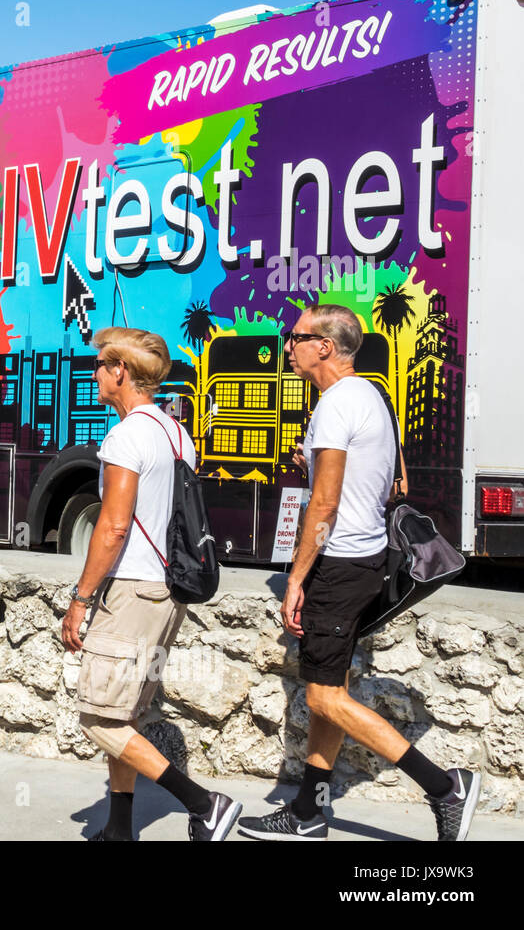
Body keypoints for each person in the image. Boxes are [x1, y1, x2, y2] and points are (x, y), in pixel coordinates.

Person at [238, 304, 479, 841]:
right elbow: (395, 486)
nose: (287, 347)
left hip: (339, 564)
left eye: (294, 337)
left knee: (324, 697)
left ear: (324, 345)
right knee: (332, 687)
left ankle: (445, 787)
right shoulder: (371, 396)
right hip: (365, 558)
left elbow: (323, 507)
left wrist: (296, 577)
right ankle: (306, 812)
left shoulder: (335, 405)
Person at [61, 327, 242, 842]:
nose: (94, 373)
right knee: (130, 715)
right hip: (165, 592)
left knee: (99, 719)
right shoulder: (174, 431)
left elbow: (114, 526)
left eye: (99, 364)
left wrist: (80, 599)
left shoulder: (125, 436)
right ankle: (120, 830)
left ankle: (205, 804)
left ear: (120, 371)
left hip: (133, 593)